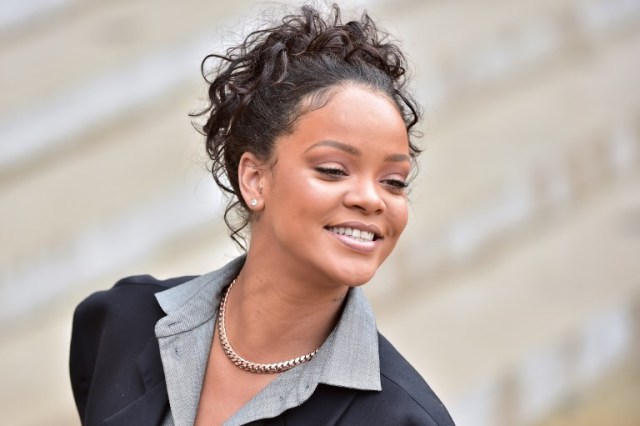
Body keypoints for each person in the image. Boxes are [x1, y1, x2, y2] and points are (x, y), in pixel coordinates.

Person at [69, 3, 455, 425]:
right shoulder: (120, 323)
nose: (372, 199)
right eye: (333, 170)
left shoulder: (402, 419)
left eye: (394, 181)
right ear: (254, 179)